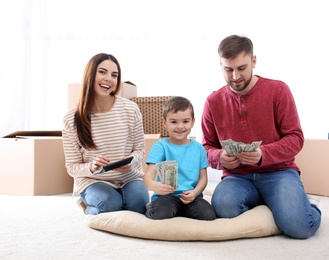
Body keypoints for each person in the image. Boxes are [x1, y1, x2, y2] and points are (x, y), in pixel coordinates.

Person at [201, 35, 321, 239]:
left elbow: (295, 138)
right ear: (220, 65)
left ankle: (309, 207)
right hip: (237, 176)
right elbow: (206, 147)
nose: (235, 76)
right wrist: (218, 157)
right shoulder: (213, 101)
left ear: (253, 61)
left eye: (242, 68)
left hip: (279, 172)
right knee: (223, 207)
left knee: (299, 227)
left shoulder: (278, 90)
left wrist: (263, 153)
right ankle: (272, 202)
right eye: (228, 69)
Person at [62, 53, 149, 215]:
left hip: (129, 178)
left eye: (114, 75)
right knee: (109, 205)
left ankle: (116, 201)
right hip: (92, 180)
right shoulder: (71, 119)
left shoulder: (131, 109)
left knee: (139, 205)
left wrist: (131, 161)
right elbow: (72, 167)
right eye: (102, 72)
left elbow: (140, 149)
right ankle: (88, 206)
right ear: (90, 75)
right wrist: (92, 166)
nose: (109, 78)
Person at [143, 96, 216, 220]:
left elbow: (203, 179)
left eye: (185, 121)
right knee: (160, 214)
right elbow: (148, 177)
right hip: (167, 196)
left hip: (191, 196)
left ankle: (180, 211)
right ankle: (154, 206)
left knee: (208, 215)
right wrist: (154, 186)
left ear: (193, 122)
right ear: (164, 122)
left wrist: (194, 193)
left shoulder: (199, 148)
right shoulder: (161, 146)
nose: (180, 126)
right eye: (174, 122)